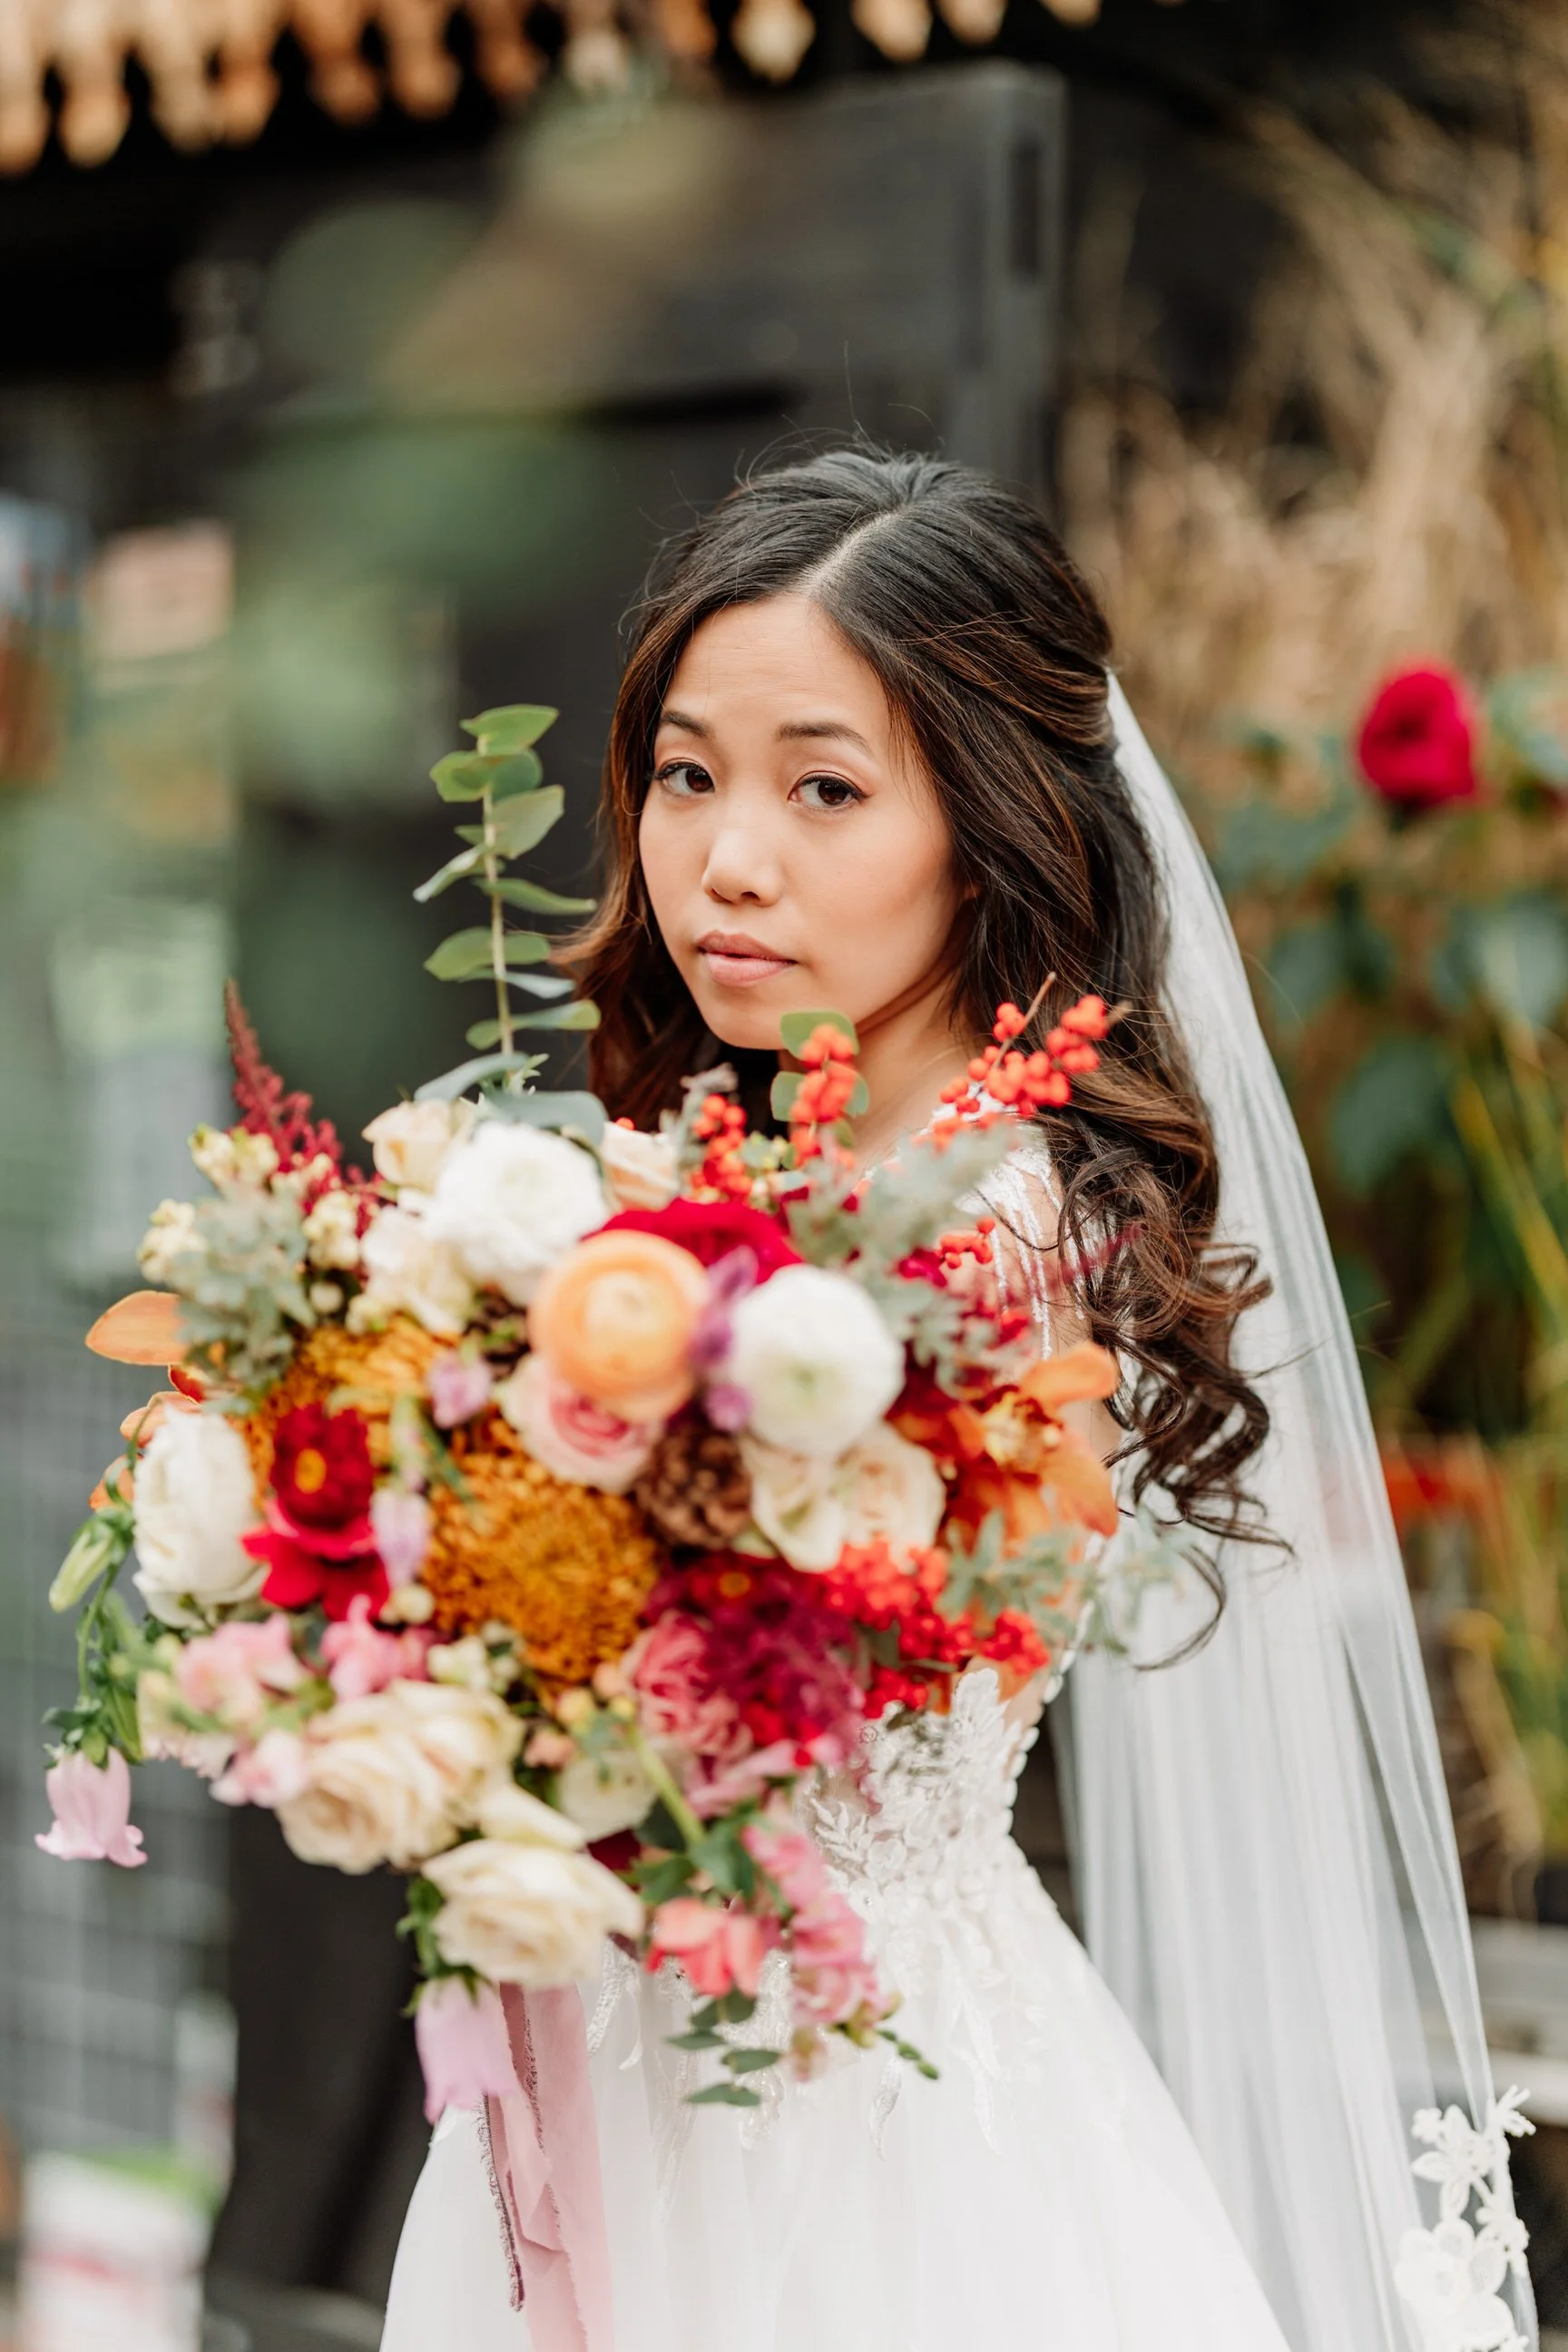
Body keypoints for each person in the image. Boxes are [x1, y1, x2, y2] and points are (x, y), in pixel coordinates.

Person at [380, 451, 1534, 2352]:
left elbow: (785, 1676)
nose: (728, 856)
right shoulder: (719, 1178)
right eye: (687, 774)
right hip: (626, 2052)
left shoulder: (998, 1235)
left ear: (990, 819)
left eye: (824, 787)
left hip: (848, 2121)